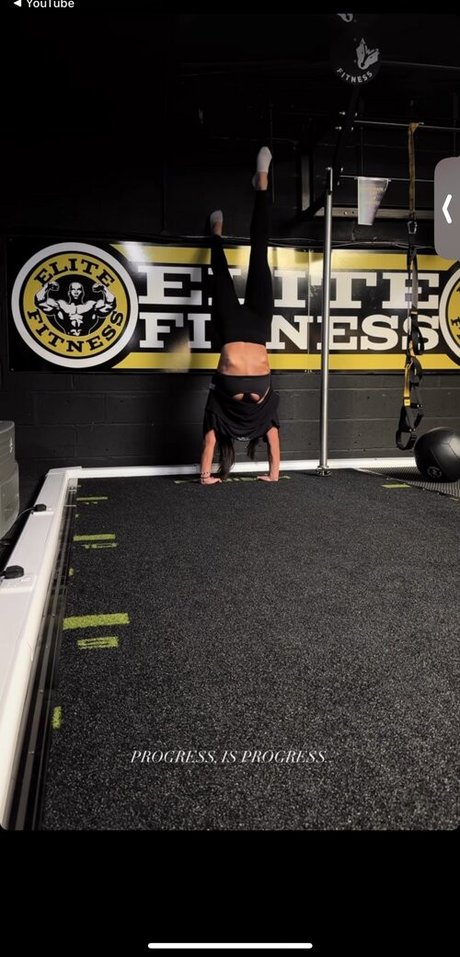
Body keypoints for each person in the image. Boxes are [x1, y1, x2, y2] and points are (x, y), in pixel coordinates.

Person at [200, 146, 280, 486]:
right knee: (245, 263)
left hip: (249, 331)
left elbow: (273, 443)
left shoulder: (262, 418)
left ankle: (221, 229)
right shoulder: (241, 417)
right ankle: (258, 188)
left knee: (247, 261)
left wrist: (274, 474)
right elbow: (210, 442)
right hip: (243, 332)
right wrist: (205, 475)